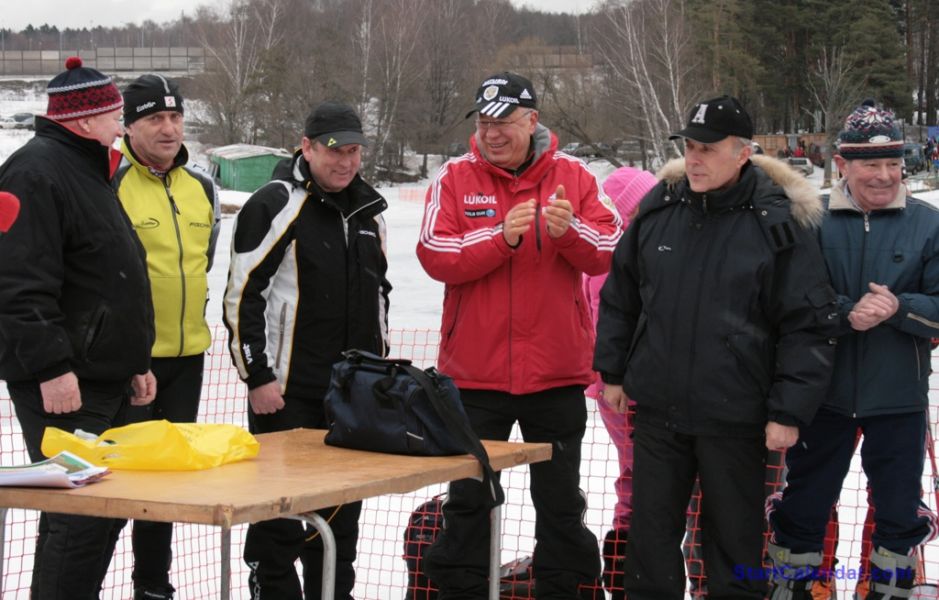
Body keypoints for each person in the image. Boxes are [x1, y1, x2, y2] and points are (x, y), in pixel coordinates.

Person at [593, 94, 837, 600]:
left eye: (708, 148)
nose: (695, 158)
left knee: (731, 547)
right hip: (659, 410)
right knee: (650, 546)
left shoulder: (777, 222)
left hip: (737, 416)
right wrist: (612, 374)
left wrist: (788, 409)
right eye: (689, 146)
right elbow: (620, 298)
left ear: (743, 152)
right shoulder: (659, 209)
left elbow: (805, 324)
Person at [417, 71, 621, 599]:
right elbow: (435, 255)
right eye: (485, 123)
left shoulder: (574, 175)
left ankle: (566, 589)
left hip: (554, 373)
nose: (494, 134)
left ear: (532, 121)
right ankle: (460, 590)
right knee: (468, 498)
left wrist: (568, 232)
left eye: (505, 122)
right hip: (475, 374)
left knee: (559, 499)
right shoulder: (454, 177)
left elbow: (612, 247)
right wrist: (501, 236)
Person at [766, 100, 939, 600]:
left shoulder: (928, 224)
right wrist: (845, 313)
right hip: (822, 394)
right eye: (870, 164)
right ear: (842, 164)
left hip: (898, 396)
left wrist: (898, 308)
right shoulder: (811, 218)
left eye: (893, 164)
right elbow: (789, 298)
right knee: (805, 503)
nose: (884, 175)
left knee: (899, 509)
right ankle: (793, 588)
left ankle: (889, 590)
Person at [0, 56, 156, 599]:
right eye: (115, 112)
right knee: (77, 520)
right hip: (66, 385)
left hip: (104, 379)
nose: (121, 122)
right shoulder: (34, 171)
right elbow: (16, 283)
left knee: (100, 518)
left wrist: (134, 362)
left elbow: (108, 274)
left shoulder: (90, 170)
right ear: (86, 119)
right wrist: (50, 367)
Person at [224, 100, 390, 600]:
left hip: (353, 395)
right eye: (334, 151)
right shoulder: (275, 203)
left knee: (342, 519)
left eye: (355, 151)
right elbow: (241, 295)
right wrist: (257, 377)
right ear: (307, 147)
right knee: (280, 519)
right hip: (288, 391)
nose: (345, 162)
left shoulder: (369, 210)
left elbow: (379, 297)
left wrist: (379, 378)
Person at [113, 73, 220, 600]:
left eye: (175, 118)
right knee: (120, 483)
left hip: (188, 358)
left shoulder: (201, 187)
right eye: (155, 118)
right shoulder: (109, 182)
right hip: (130, 362)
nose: (169, 128)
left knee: (167, 483)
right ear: (129, 125)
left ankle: (153, 587)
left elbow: (203, 264)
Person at [581, 166, 658, 600]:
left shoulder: (641, 249)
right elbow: (606, 326)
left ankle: (629, 573)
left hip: (634, 387)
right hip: (623, 390)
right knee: (642, 479)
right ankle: (627, 576)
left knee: (639, 479)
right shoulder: (615, 260)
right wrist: (620, 379)